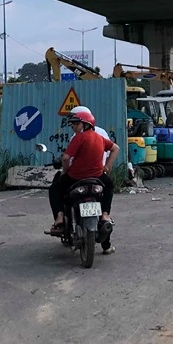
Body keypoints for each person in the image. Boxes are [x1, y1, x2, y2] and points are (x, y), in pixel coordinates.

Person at [47, 106, 119, 253]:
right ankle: (105, 215)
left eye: (76, 123)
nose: (73, 126)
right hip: (98, 177)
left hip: (76, 178)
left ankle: (60, 217)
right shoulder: (100, 136)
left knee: (55, 189)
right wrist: (107, 167)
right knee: (109, 187)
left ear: (85, 124)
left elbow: (66, 158)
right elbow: (115, 148)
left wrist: (65, 171)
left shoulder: (78, 137)